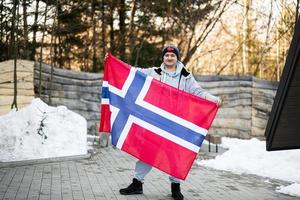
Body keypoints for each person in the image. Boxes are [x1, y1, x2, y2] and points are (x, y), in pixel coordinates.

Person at [117, 45, 222, 200]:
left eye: (173, 55)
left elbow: (198, 92)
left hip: (176, 122)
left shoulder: (185, 76)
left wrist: (214, 99)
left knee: (174, 155)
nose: (170, 58)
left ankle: (175, 188)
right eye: (167, 55)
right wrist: (116, 64)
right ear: (163, 57)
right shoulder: (154, 72)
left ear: (177, 58)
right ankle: (137, 183)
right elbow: (134, 72)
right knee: (148, 152)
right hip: (156, 119)